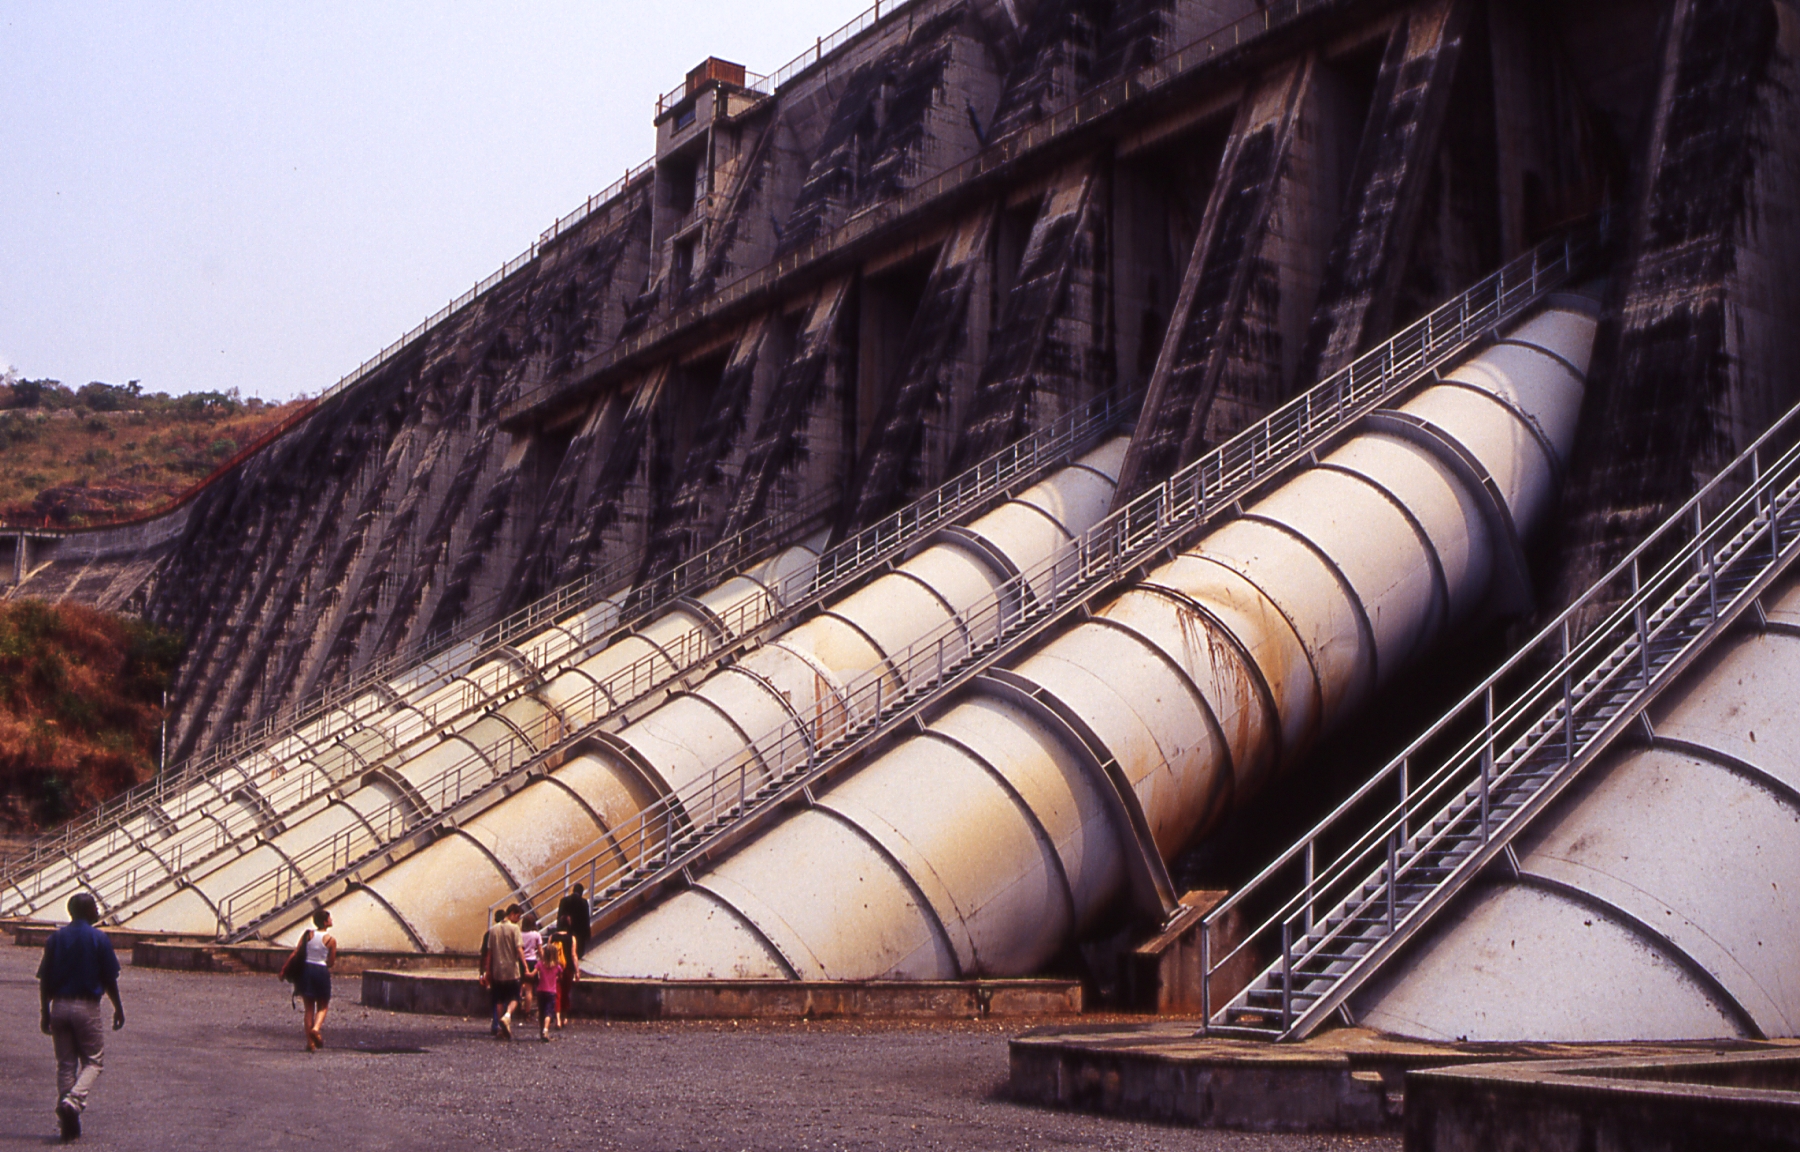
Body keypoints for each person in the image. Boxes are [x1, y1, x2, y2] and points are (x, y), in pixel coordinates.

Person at [37, 892, 124, 1142]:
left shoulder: (55, 939)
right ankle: (73, 1102)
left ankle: (68, 1122)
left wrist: (45, 1012)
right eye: (94, 907)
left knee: (66, 1063)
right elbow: (109, 978)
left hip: (59, 1005)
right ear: (87, 911)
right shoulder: (99, 938)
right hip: (86, 1006)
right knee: (94, 1061)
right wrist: (118, 1008)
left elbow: (44, 979)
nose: (98, 911)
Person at [482, 903, 526, 1040]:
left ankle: (501, 1029)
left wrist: (487, 971)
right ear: (512, 913)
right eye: (518, 916)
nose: (518, 920)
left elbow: (489, 953)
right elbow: (519, 949)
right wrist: (526, 966)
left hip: (497, 971)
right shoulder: (515, 929)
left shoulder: (493, 930)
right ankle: (507, 1016)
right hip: (511, 970)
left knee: (499, 1000)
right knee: (515, 997)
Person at [295, 910, 337, 1051]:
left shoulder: (308, 935)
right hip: (321, 970)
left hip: (306, 969)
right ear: (325, 922)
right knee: (323, 1005)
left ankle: (310, 1043)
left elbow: (298, 951)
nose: (331, 920)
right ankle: (316, 1028)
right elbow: (331, 962)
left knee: (308, 1008)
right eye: (329, 918)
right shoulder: (331, 940)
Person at [477, 908, 506, 1034]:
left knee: (495, 997)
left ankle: (495, 1023)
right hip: (504, 968)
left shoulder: (489, 934)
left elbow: (483, 954)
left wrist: (482, 972)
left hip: (491, 968)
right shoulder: (508, 933)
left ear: (495, 919)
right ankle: (500, 1022)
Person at [549, 911, 579, 1027]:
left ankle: (557, 1019)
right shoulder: (572, 938)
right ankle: (564, 1017)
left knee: (557, 993)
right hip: (567, 969)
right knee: (566, 992)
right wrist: (577, 971)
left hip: (554, 969)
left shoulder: (552, 937)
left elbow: (549, 953)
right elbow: (573, 955)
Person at [534, 938, 564, 1041]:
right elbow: (561, 976)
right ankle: (546, 1030)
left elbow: (533, 973)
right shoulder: (557, 966)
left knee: (541, 1012)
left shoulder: (540, 964)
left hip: (540, 991)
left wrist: (527, 973)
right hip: (551, 992)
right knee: (549, 1012)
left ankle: (541, 1030)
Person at [519, 912, 543, 1024]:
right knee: (529, 989)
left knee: (520, 985)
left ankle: (517, 1007)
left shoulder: (519, 934)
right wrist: (544, 961)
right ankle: (527, 1013)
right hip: (532, 960)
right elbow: (540, 950)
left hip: (521, 960)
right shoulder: (536, 935)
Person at [556, 883, 591, 956]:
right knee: (577, 954)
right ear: (581, 892)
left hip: (565, 931)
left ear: (573, 890)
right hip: (579, 933)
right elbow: (586, 919)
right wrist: (587, 934)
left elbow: (559, 917)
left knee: (566, 952)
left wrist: (558, 930)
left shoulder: (564, 901)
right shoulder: (584, 902)